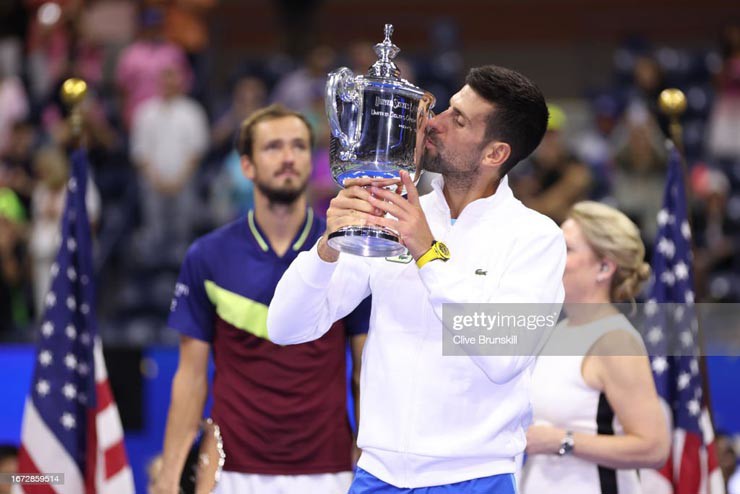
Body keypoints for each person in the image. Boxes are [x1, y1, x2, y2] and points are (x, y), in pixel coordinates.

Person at [268, 65, 567, 492]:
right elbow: (285, 327)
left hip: (474, 478)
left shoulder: (536, 238)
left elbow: (503, 359)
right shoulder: (393, 213)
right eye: (447, 109)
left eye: (458, 120)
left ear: (495, 154)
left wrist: (428, 252)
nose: (433, 123)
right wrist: (327, 247)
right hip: (377, 475)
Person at [154, 104, 370, 494]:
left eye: (299, 146)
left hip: (330, 472)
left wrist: (370, 459)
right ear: (247, 167)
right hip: (231, 473)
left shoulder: (348, 252)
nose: (288, 157)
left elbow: (365, 370)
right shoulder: (207, 255)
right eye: (273, 147)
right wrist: (171, 475)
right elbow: (189, 377)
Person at [521, 201, 670, 494]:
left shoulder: (615, 341)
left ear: (604, 267)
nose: (553, 256)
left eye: (567, 248)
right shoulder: (556, 330)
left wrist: (560, 441)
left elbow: (654, 447)